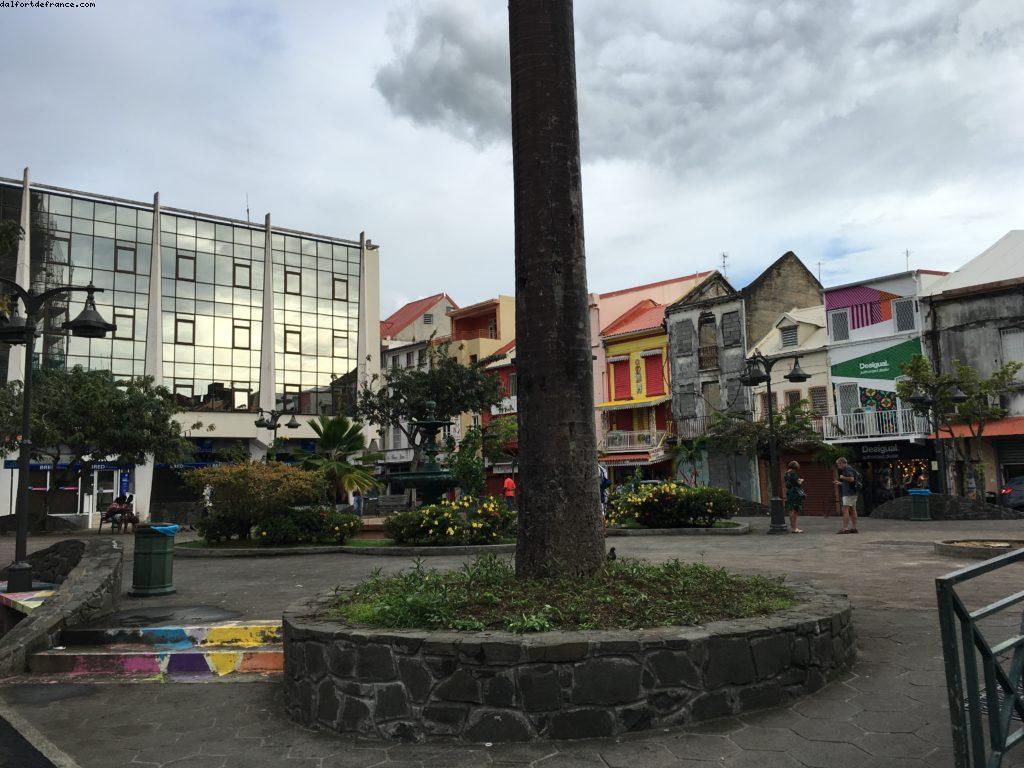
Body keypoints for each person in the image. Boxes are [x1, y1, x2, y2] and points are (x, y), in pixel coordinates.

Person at [835, 457, 861, 534]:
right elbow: (849, 483)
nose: (838, 466)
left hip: (848, 493)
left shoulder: (847, 469)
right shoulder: (850, 468)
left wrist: (843, 477)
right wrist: (840, 483)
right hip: (853, 492)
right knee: (853, 509)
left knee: (845, 509)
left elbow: (851, 479)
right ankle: (854, 528)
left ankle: (845, 528)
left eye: (838, 465)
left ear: (842, 463)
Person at [784, 460, 805, 533]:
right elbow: (797, 483)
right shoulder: (793, 473)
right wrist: (801, 480)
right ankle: (795, 528)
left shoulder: (786, 473)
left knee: (791, 510)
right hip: (795, 493)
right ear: (795, 467)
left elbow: (788, 483)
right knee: (795, 510)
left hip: (789, 492)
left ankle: (793, 527)